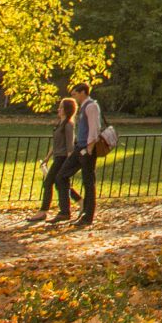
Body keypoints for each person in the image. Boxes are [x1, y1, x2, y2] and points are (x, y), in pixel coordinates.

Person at [35, 97, 79, 223]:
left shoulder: (68, 125)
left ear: (66, 109)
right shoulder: (60, 123)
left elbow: (70, 145)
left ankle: (45, 211)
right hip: (57, 156)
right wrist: (47, 157)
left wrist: (69, 162)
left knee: (50, 182)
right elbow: (55, 144)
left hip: (63, 157)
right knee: (60, 184)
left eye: (61, 107)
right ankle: (68, 208)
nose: (58, 109)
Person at [70, 81, 105, 225]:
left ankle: (87, 215)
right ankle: (72, 207)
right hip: (80, 147)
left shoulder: (91, 106)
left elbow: (95, 128)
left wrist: (89, 148)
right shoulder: (84, 106)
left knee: (88, 182)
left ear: (83, 92)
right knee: (62, 175)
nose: (74, 97)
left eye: (75, 94)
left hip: (86, 149)